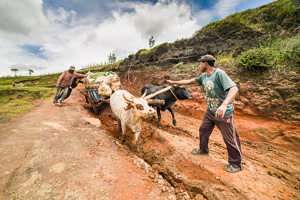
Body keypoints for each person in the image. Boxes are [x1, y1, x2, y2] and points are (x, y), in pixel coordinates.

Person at [166, 55, 242, 173]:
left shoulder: (219, 74)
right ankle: (203, 150)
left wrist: (224, 104)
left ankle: (236, 163)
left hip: (223, 113)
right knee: (203, 130)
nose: (199, 65)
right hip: (211, 111)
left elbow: (234, 88)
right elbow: (189, 81)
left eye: (200, 63)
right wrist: (173, 82)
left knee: (230, 138)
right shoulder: (203, 77)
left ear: (205, 63)